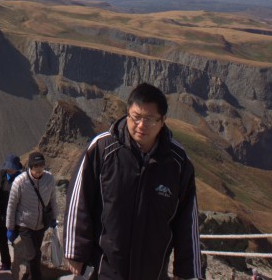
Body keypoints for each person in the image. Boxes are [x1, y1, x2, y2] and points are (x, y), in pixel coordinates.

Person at [64, 83, 202, 280]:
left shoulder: (178, 163)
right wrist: (75, 252)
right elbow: (79, 199)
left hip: (153, 272)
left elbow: (187, 219)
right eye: (136, 117)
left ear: (163, 121)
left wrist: (188, 271)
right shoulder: (103, 149)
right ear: (127, 114)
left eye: (150, 119)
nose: (141, 125)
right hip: (106, 269)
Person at [6, 152, 57, 280]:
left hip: (41, 224)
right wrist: (10, 228)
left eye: (41, 165)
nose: (39, 169)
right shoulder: (20, 181)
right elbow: (12, 206)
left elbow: (53, 199)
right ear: (30, 166)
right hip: (25, 224)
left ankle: (28, 275)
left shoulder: (49, 179)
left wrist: (54, 218)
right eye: (35, 166)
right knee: (32, 255)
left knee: (37, 253)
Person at [0, 154, 23, 271]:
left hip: (17, 215)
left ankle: (18, 262)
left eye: (12, 167)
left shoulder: (21, 178)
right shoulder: (1, 175)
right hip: (2, 213)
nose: (9, 169)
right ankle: (5, 262)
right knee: (2, 240)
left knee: (16, 241)